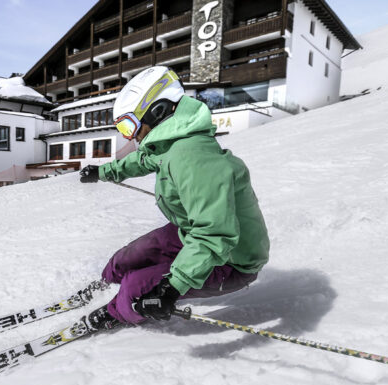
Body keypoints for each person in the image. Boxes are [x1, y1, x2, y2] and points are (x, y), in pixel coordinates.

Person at [79, 66, 270, 331]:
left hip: (231, 259)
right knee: (131, 255)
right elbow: (143, 160)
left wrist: (172, 287)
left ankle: (119, 311)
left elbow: (215, 235)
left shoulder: (195, 160)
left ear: (157, 111)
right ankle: (106, 282)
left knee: (138, 287)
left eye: (128, 124)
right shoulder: (172, 143)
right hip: (191, 231)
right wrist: (102, 172)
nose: (129, 135)